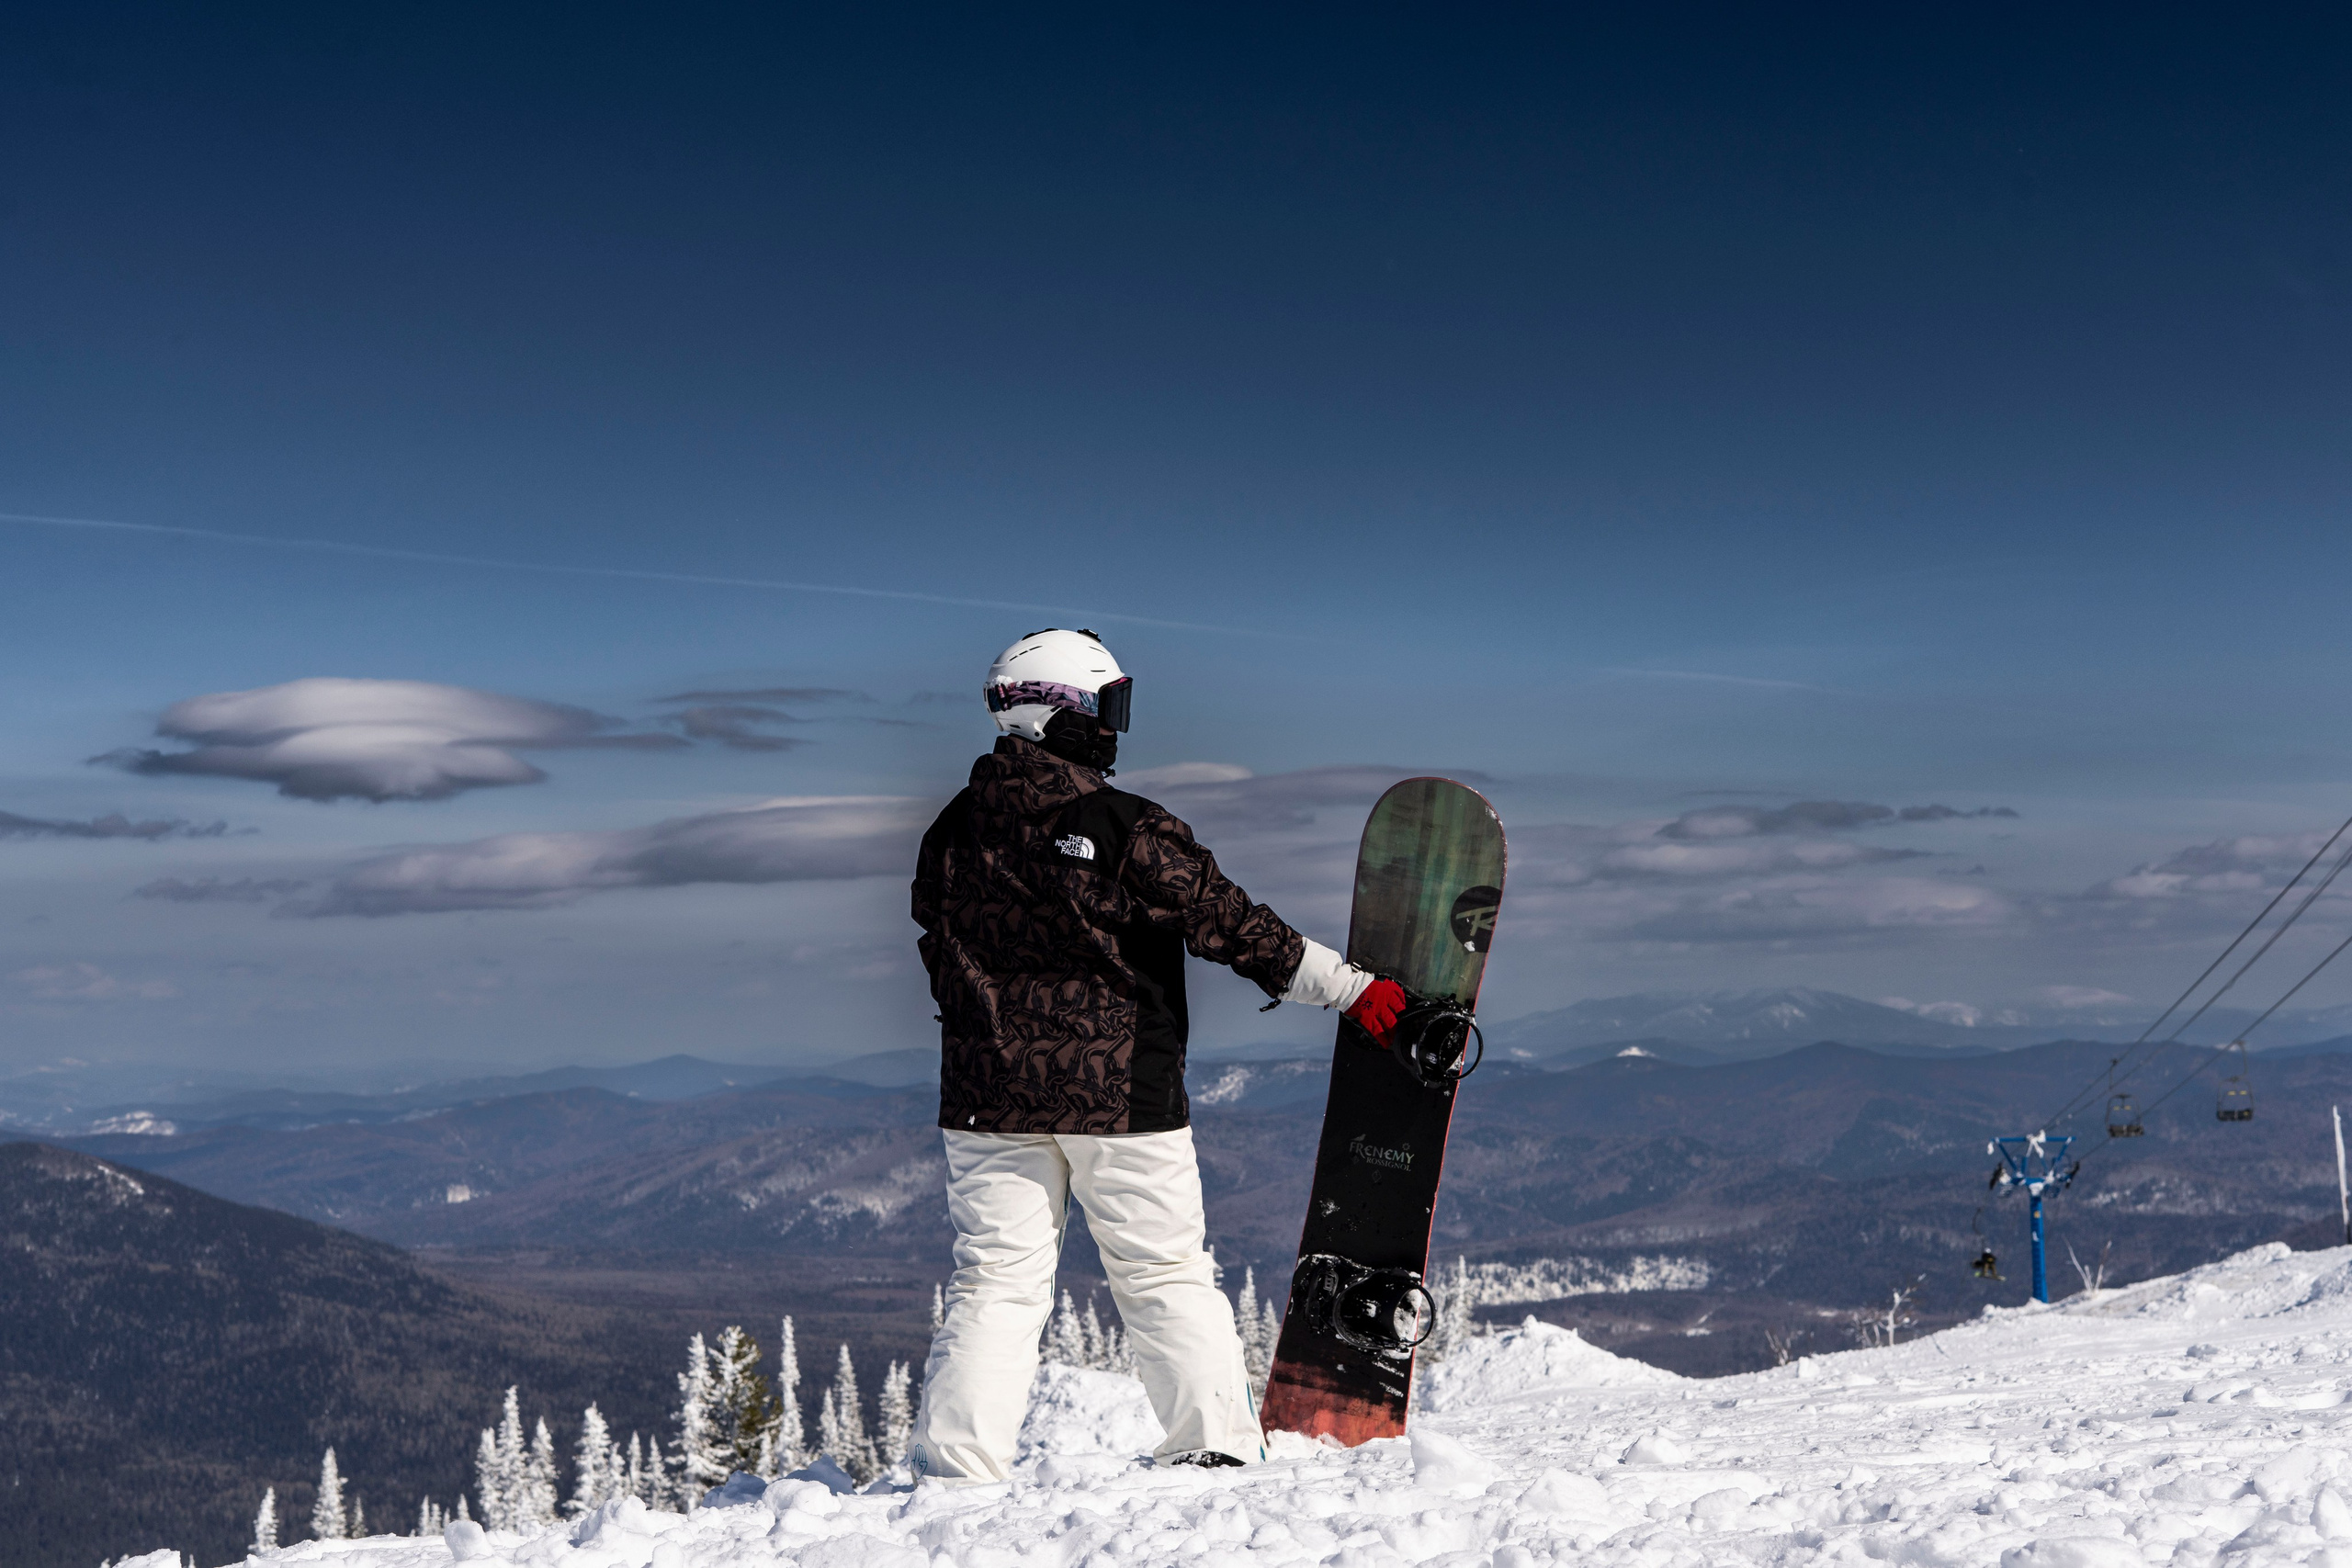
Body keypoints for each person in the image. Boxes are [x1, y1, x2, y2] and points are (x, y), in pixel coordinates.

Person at [906, 627, 1407, 1479]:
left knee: (994, 1281)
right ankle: (1209, 1441)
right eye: (1105, 706)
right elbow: (1235, 924)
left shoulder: (952, 831)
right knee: (1163, 1270)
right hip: (1119, 1095)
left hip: (986, 1095)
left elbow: (936, 946)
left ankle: (957, 1470)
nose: (1115, 727)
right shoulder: (1120, 824)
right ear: (1054, 712)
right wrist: (1353, 989)